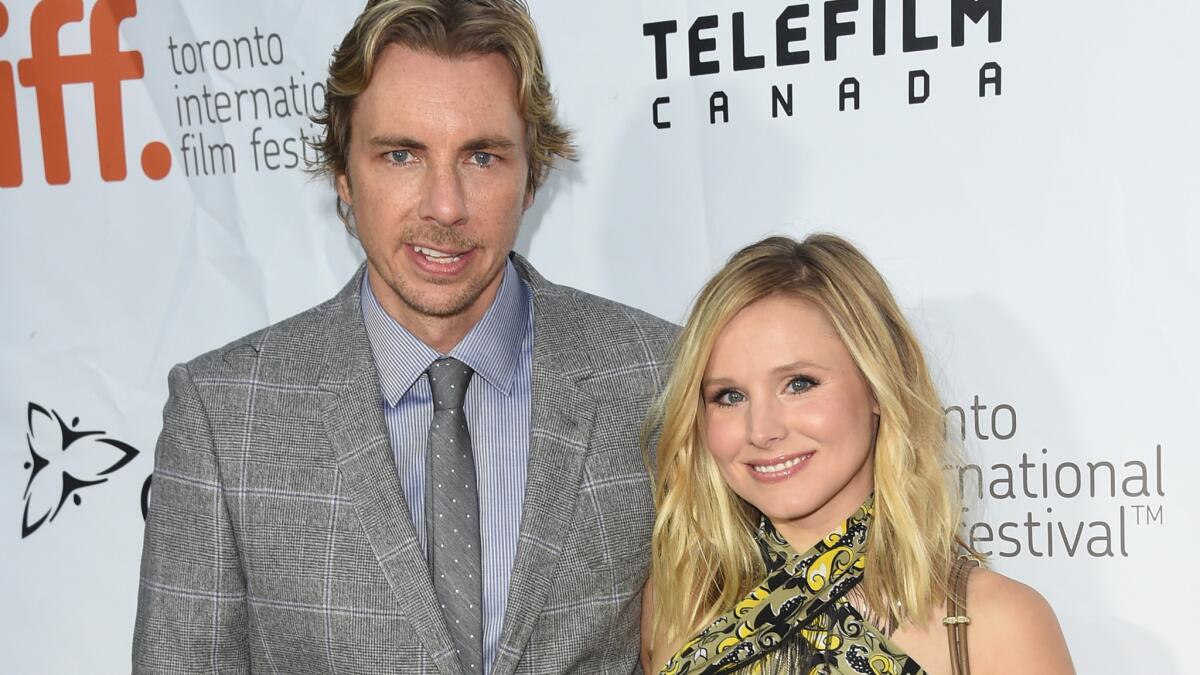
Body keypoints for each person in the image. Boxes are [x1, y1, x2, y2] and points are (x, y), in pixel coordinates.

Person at [132, 1, 675, 673]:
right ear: (344, 175)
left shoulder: (659, 376)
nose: (444, 205)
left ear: (532, 174)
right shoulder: (224, 417)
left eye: (481, 156)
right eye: (401, 154)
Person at [641, 234, 1074, 674]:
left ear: (877, 386)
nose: (762, 430)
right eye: (729, 395)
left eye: (799, 384)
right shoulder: (679, 601)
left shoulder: (998, 623)